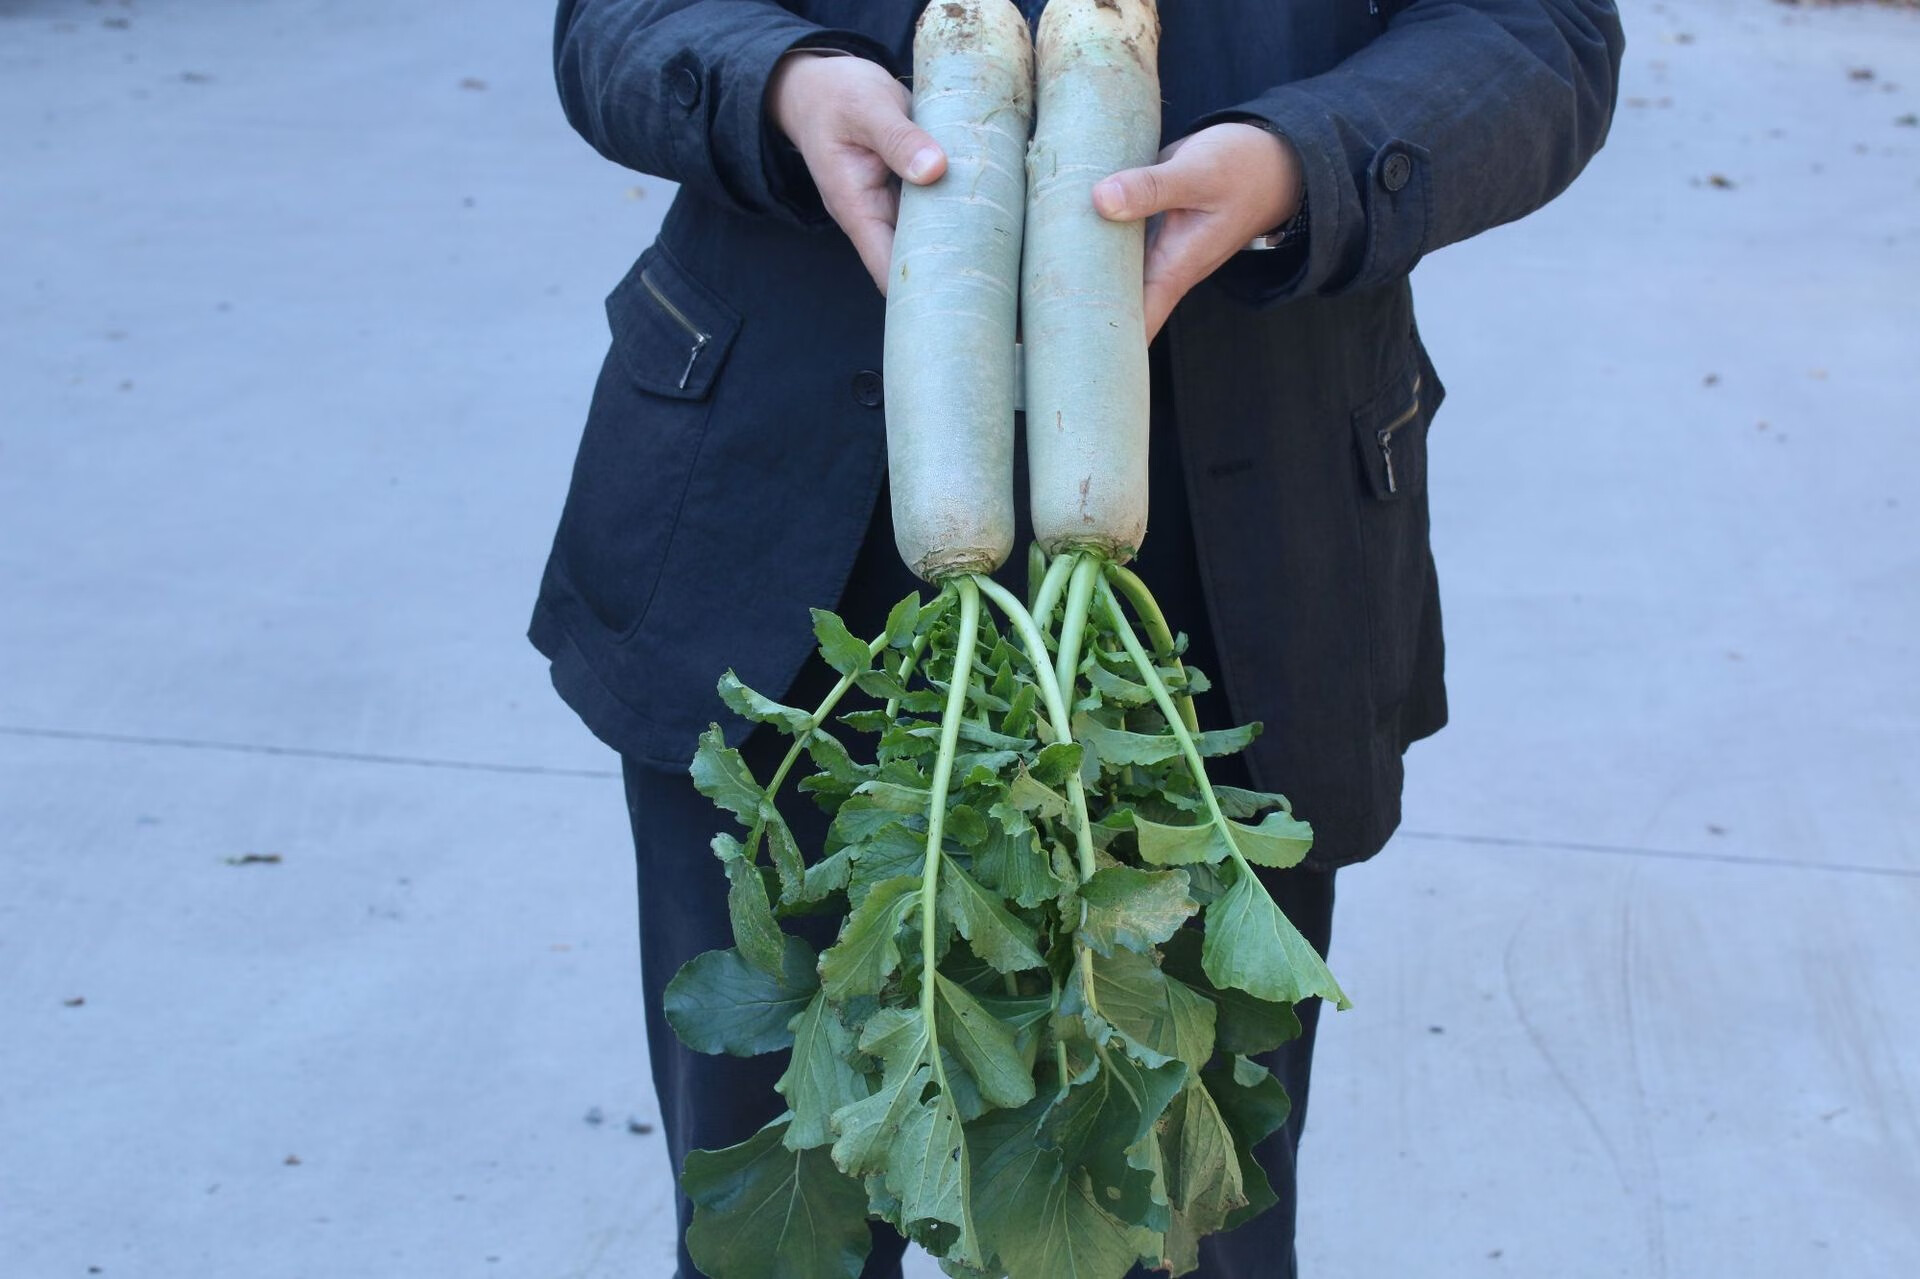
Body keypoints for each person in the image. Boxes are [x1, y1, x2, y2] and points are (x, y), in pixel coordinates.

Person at [529, 2, 1625, 1276]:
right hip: (774, 550)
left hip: (1231, 583)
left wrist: (1304, 162)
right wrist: (781, 87)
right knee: (785, 1199)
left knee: (1165, 1203)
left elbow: (1537, 33)